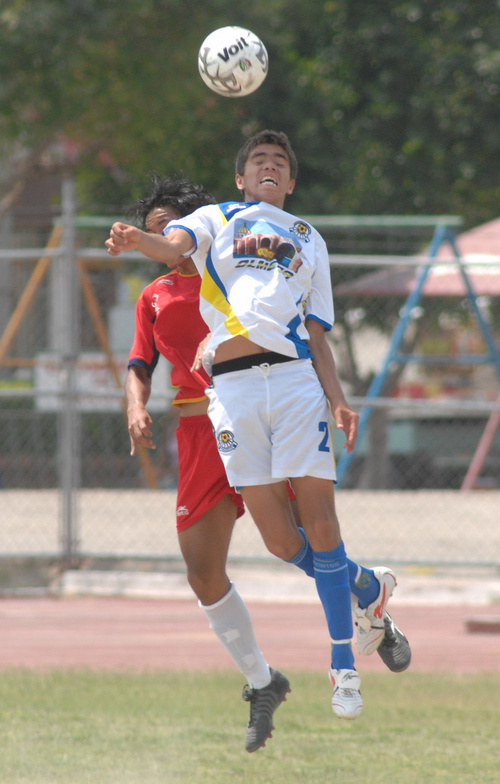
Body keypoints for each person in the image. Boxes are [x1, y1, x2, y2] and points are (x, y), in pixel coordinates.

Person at [106, 133, 411, 722]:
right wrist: (139, 239)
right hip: (230, 397)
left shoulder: (309, 239)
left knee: (321, 525)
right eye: (257, 161)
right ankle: (367, 589)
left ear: (291, 181)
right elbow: (171, 245)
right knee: (280, 543)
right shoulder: (219, 220)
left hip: (294, 381)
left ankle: (343, 668)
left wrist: (338, 399)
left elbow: (317, 333)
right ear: (240, 179)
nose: (269, 167)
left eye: (280, 163)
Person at [124, 175, 290, 753]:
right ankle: (263, 682)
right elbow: (139, 363)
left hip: (257, 416)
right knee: (202, 572)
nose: (162, 241)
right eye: (153, 234)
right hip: (199, 434)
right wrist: (135, 406)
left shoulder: (240, 275)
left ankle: (370, 604)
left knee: (300, 542)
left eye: (170, 229)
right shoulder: (153, 296)